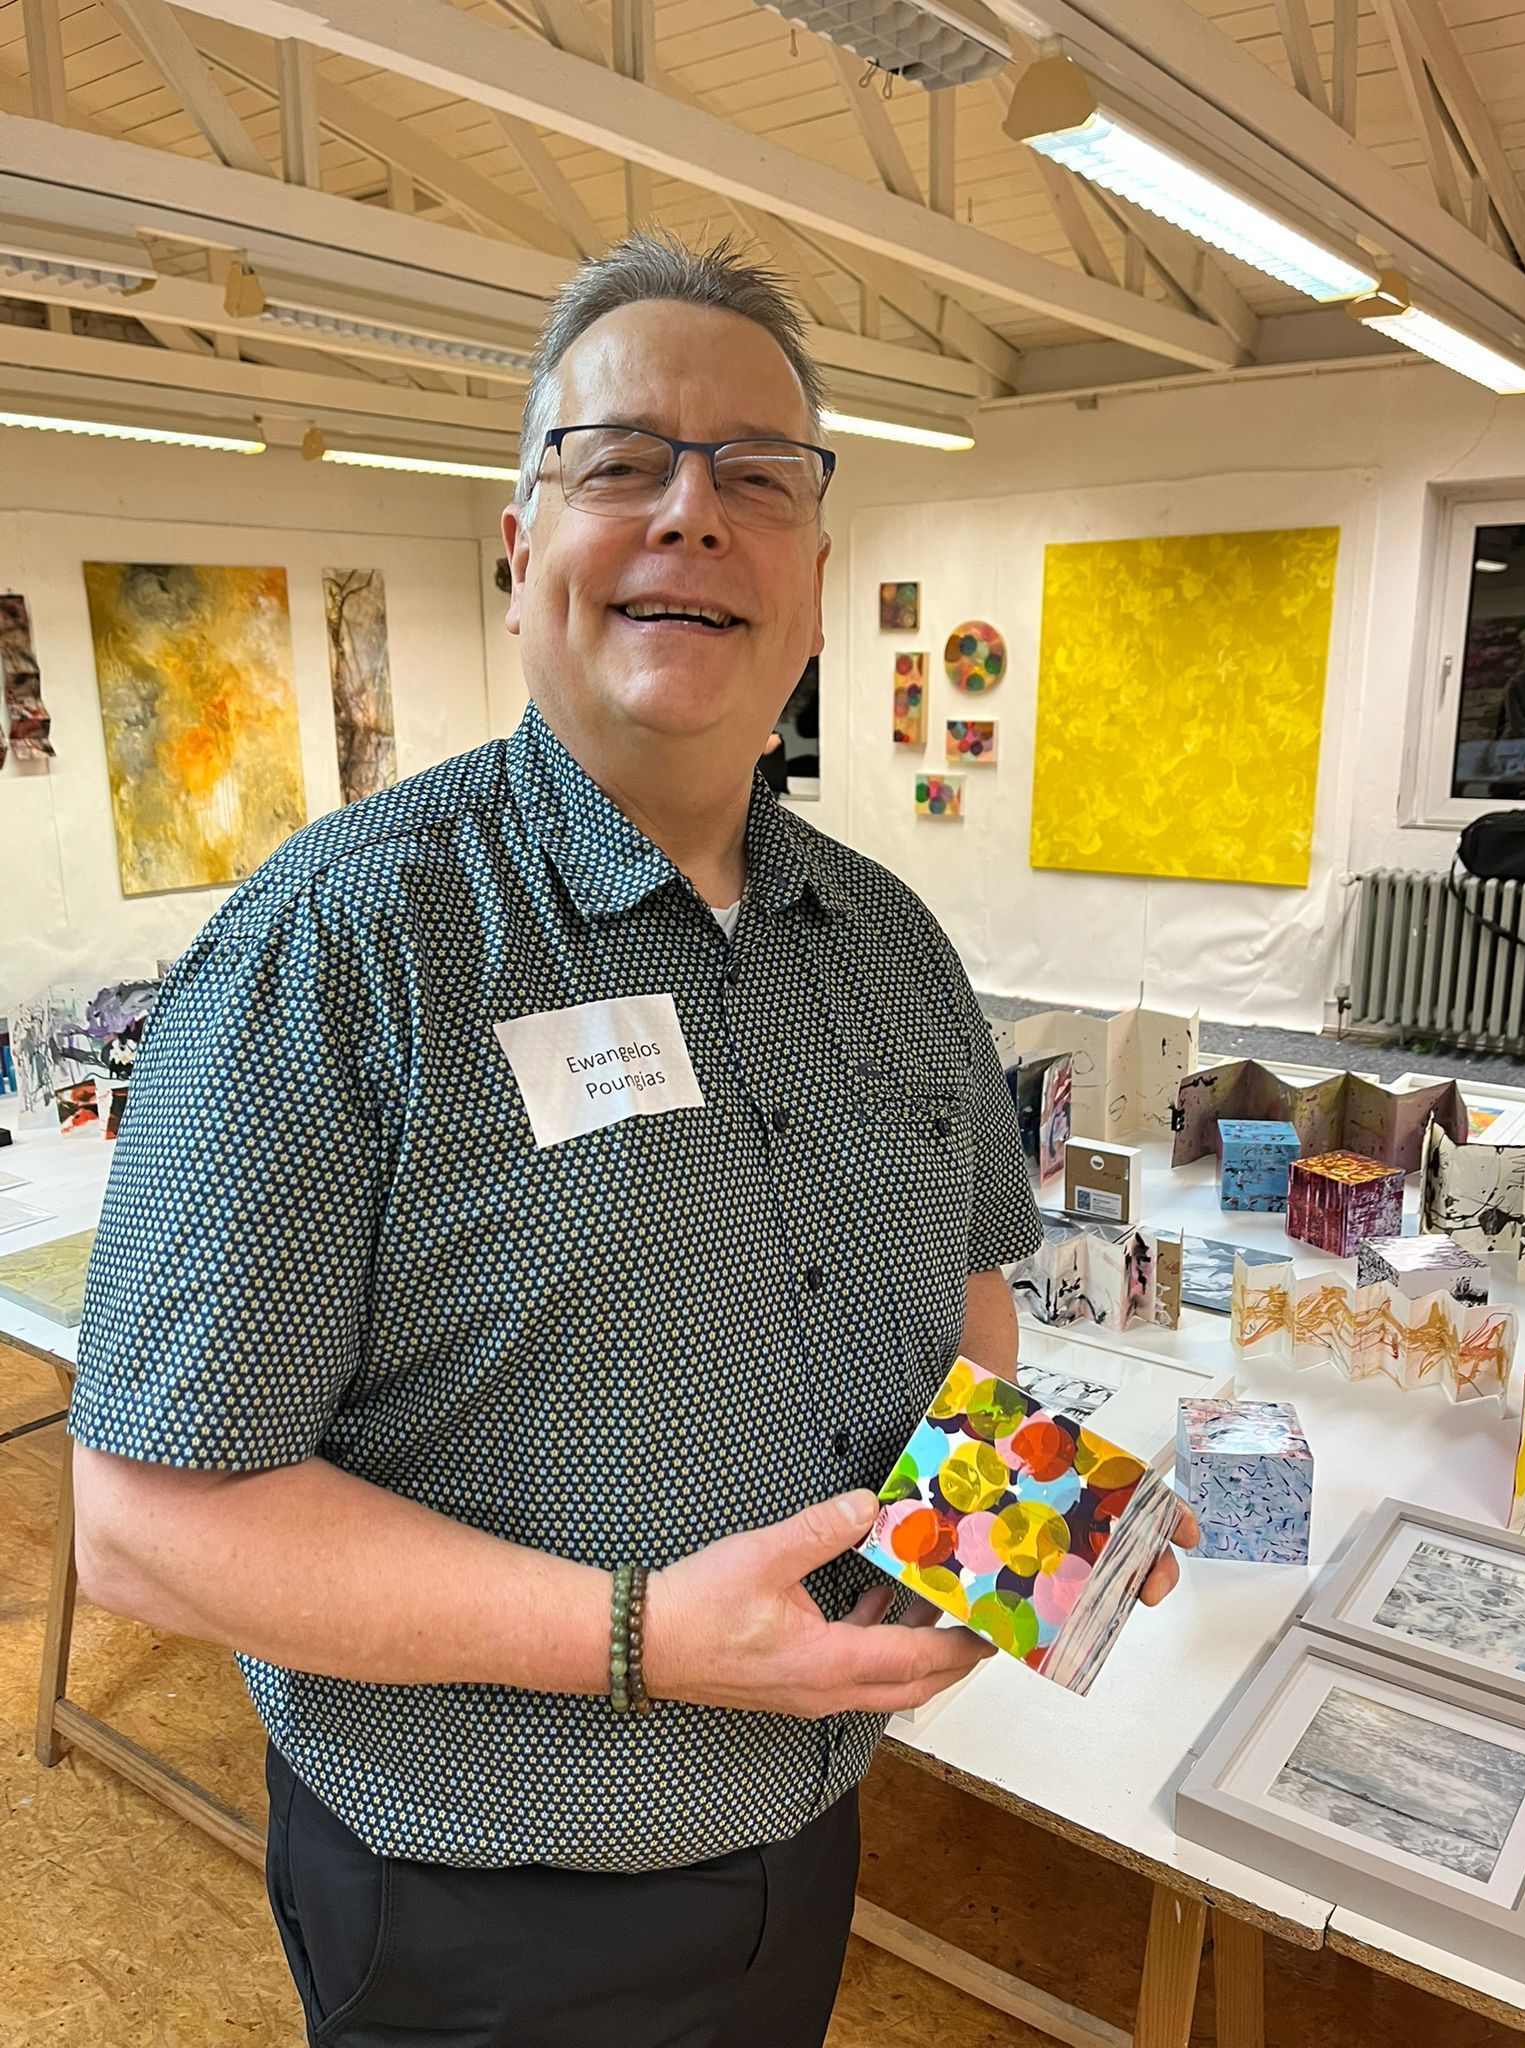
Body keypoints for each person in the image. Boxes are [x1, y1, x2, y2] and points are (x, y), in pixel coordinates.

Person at [67, 232, 1196, 2048]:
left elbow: (969, 1300)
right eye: (621, 464)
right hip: (478, 1906)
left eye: (758, 475)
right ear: (520, 550)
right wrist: (641, 1634)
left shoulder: (894, 947)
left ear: (814, 584)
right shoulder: (337, 949)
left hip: (806, 1836)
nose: (692, 513)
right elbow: (144, 1528)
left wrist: (1027, 1525)